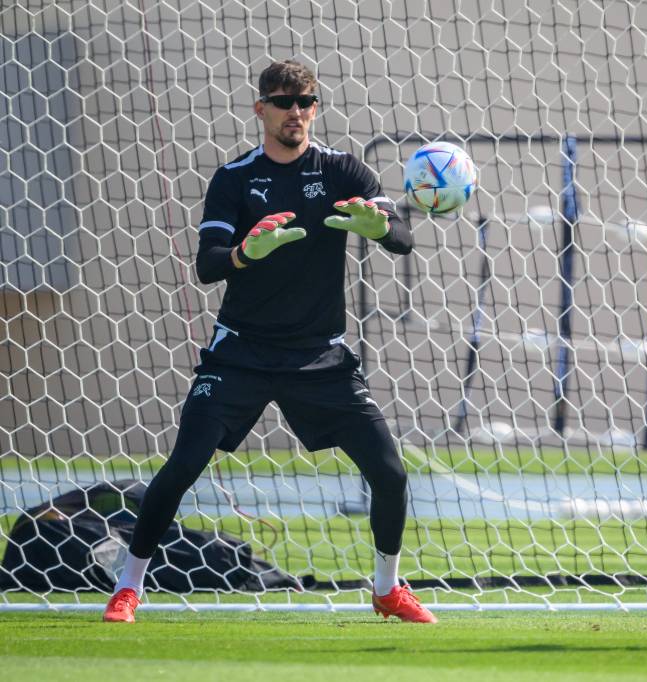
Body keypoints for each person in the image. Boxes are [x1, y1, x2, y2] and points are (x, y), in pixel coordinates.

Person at [103, 60, 436, 624]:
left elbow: (401, 237)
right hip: (242, 353)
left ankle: (386, 588)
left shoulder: (344, 171)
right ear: (261, 108)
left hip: (320, 355)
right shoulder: (235, 178)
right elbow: (208, 266)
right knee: (182, 466)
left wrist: (377, 228)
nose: (297, 112)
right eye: (285, 102)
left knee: (389, 471)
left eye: (307, 101)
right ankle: (128, 587)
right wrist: (245, 254)